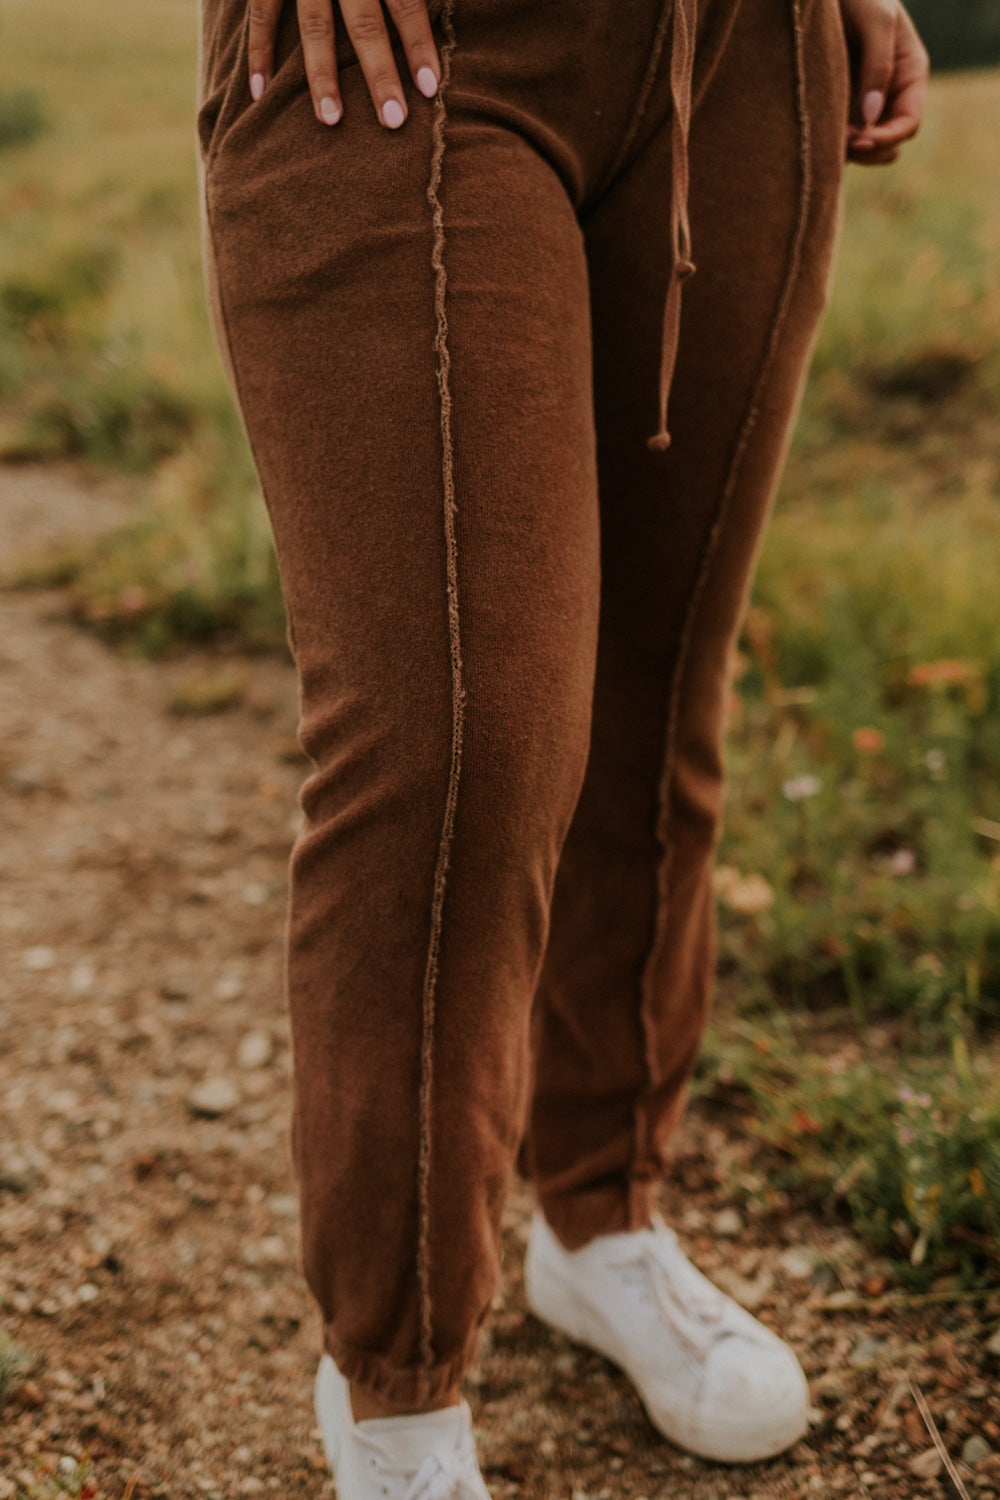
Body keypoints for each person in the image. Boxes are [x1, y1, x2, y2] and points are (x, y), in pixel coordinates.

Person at [195, 0, 928, 1494]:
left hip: (747, 52)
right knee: (464, 742)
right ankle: (399, 1400)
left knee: (659, 694)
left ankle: (606, 1221)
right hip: (410, 47)